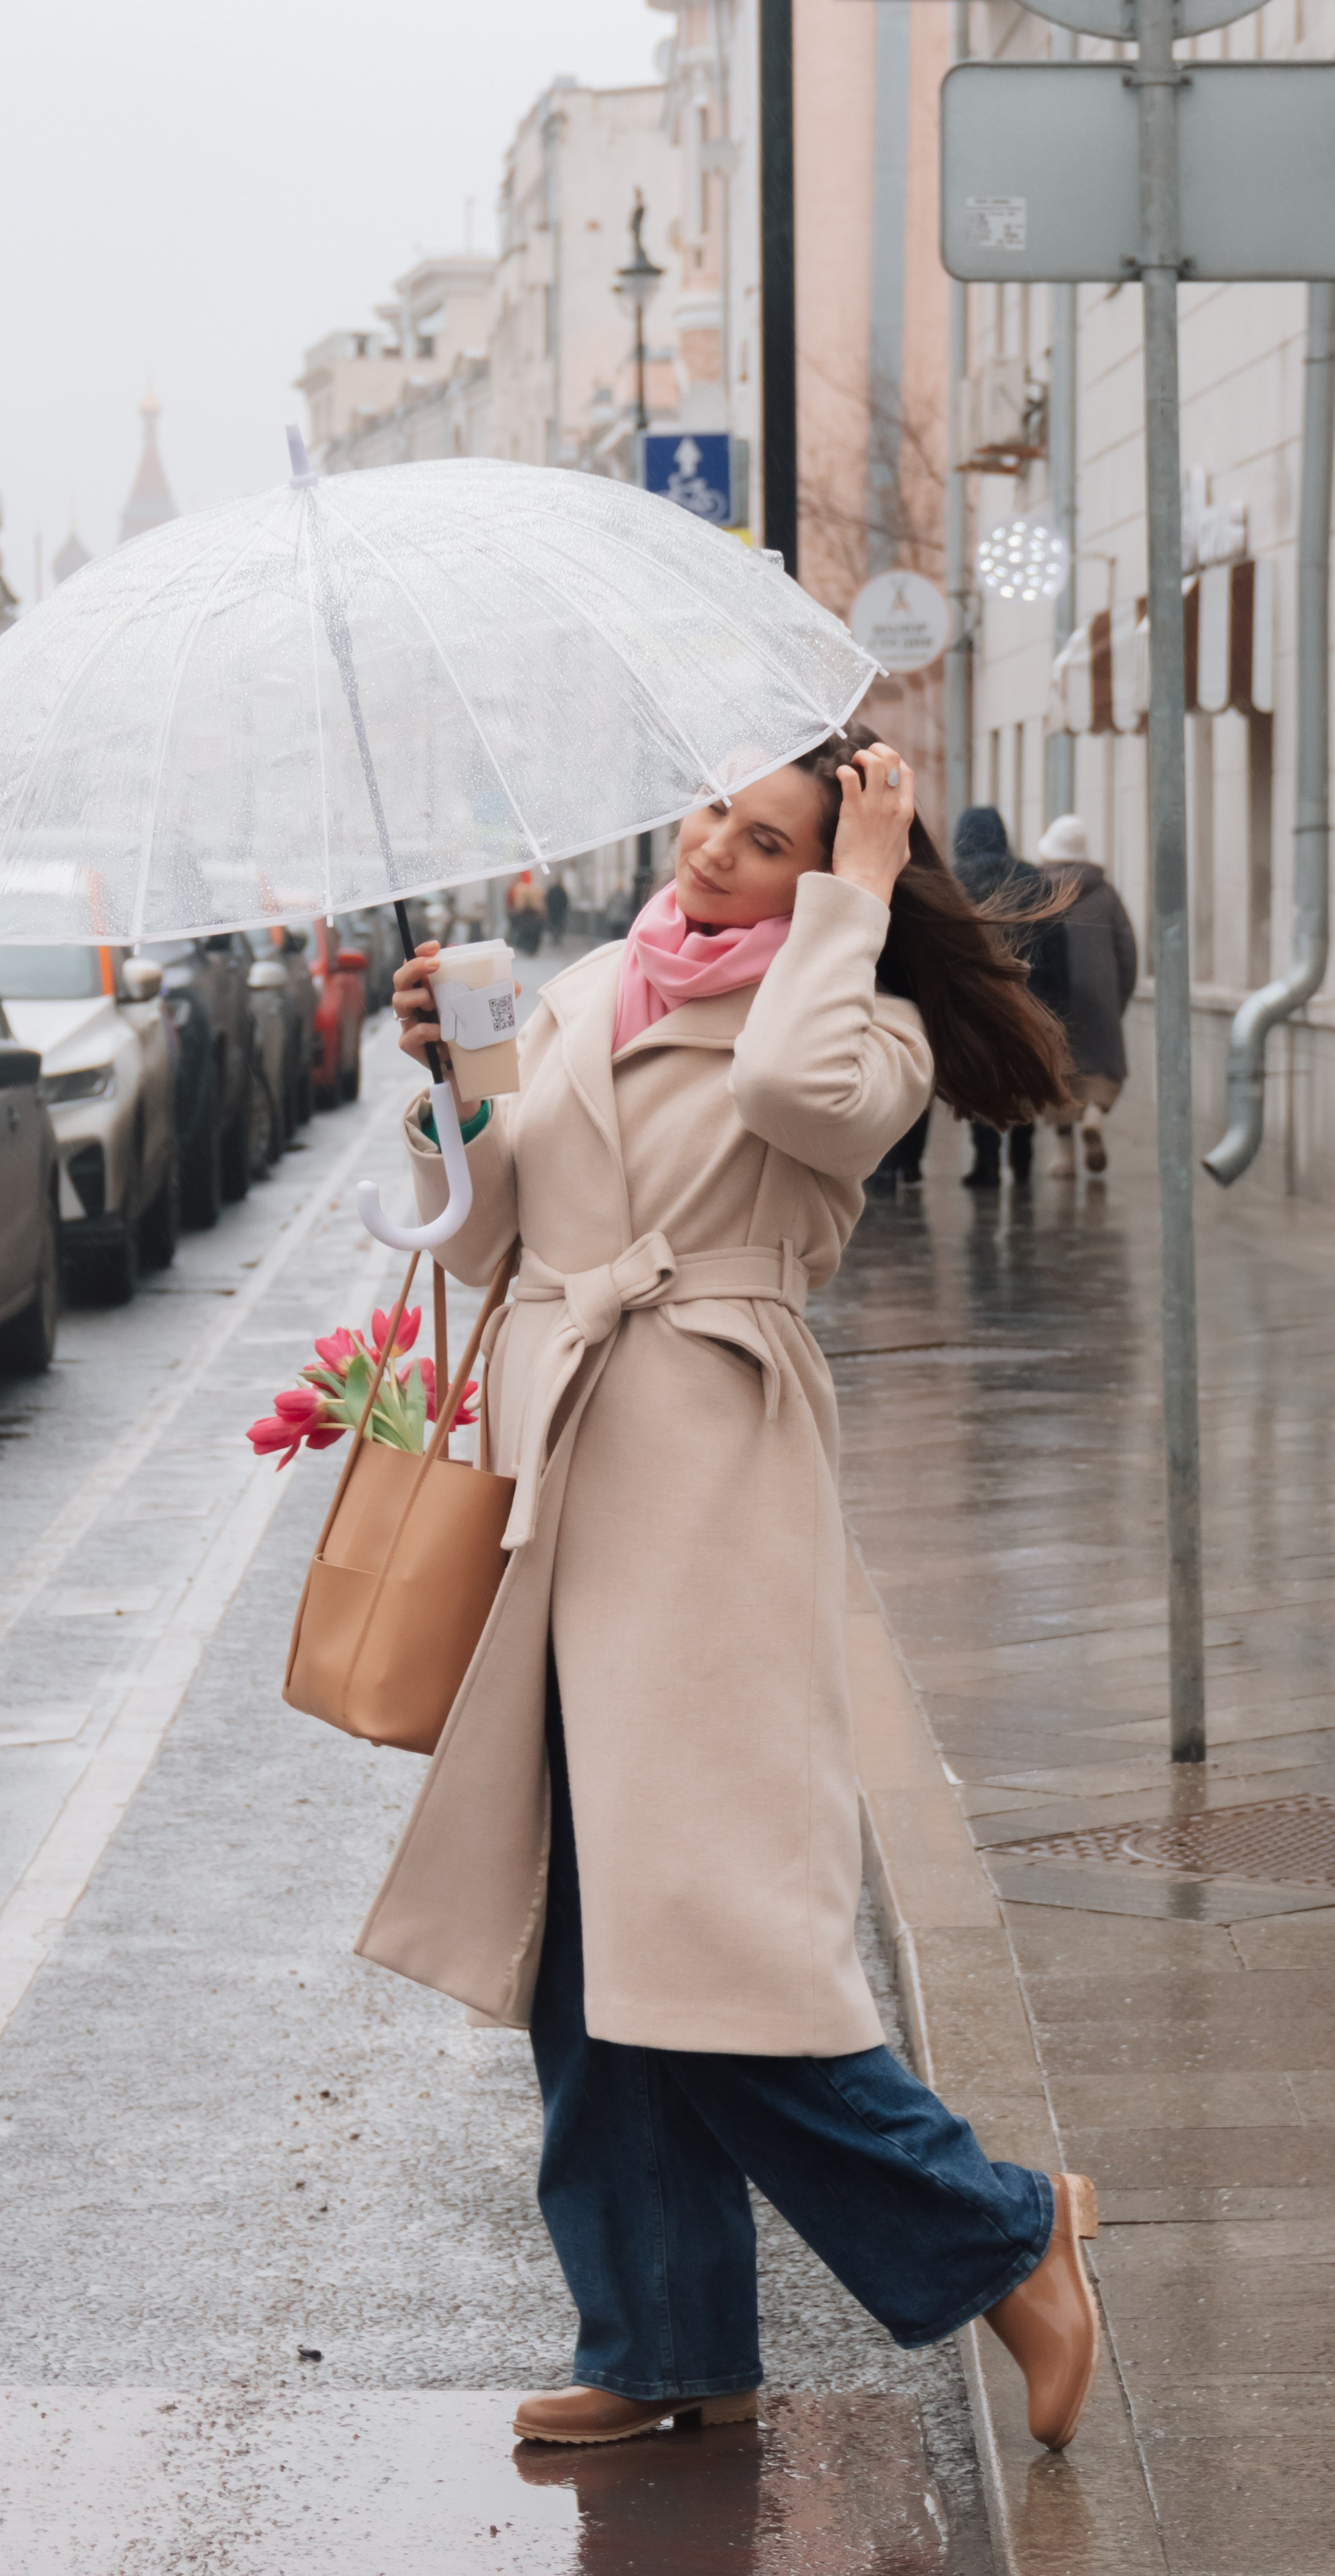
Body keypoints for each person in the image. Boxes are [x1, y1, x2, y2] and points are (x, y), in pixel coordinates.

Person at [378, 727, 1098, 2458]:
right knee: (585, 1941)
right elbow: (478, 1241)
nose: (712, 852)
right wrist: (454, 1083)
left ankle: (1008, 2233)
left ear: (833, 871)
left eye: (766, 841)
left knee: (706, 1945)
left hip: (704, 1477)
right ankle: (660, 2338)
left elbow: (794, 1101)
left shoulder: (870, 1023)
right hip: (561, 1477)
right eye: (714, 813)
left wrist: (847, 903)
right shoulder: (588, 982)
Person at [951, 807, 1070, 1189]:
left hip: (977, 1004)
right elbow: (1056, 946)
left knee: (982, 1080)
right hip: (1031, 998)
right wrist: (1054, 1001)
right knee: (1024, 1078)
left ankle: (985, 1163)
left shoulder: (955, 883)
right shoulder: (1033, 879)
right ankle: (1023, 1157)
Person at [1035, 813, 1138, 1175]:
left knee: (1059, 1072)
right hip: (1101, 993)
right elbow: (1127, 950)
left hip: (1053, 998)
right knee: (1104, 1068)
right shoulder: (1106, 894)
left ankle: (1064, 1157)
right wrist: (1118, 997)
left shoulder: (1039, 890)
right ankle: (1094, 1116)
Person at [546, 877, 571, 948]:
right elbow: (566, 901)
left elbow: (548, 899)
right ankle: (557, 937)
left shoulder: (552, 890)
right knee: (559, 924)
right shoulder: (562, 891)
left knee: (554, 924)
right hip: (560, 911)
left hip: (554, 911)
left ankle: (555, 936)